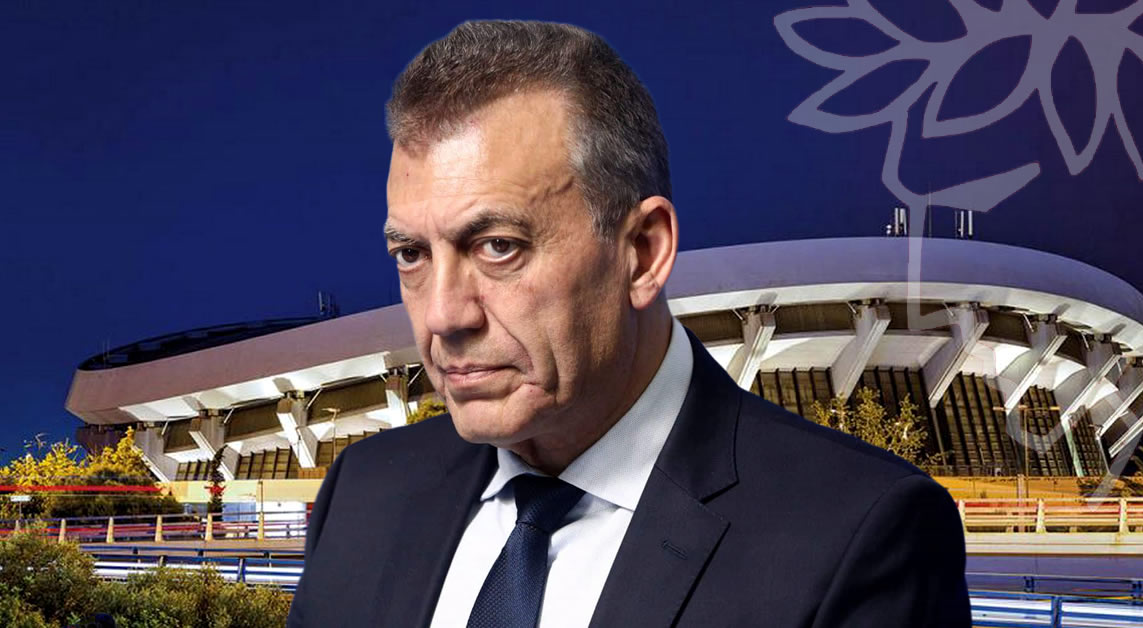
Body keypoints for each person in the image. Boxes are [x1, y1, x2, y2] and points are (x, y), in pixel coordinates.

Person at [288, 19, 971, 627]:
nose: (442, 315)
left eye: (498, 247)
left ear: (642, 253)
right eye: (411, 254)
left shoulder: (858, 538)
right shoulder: (363, 494)